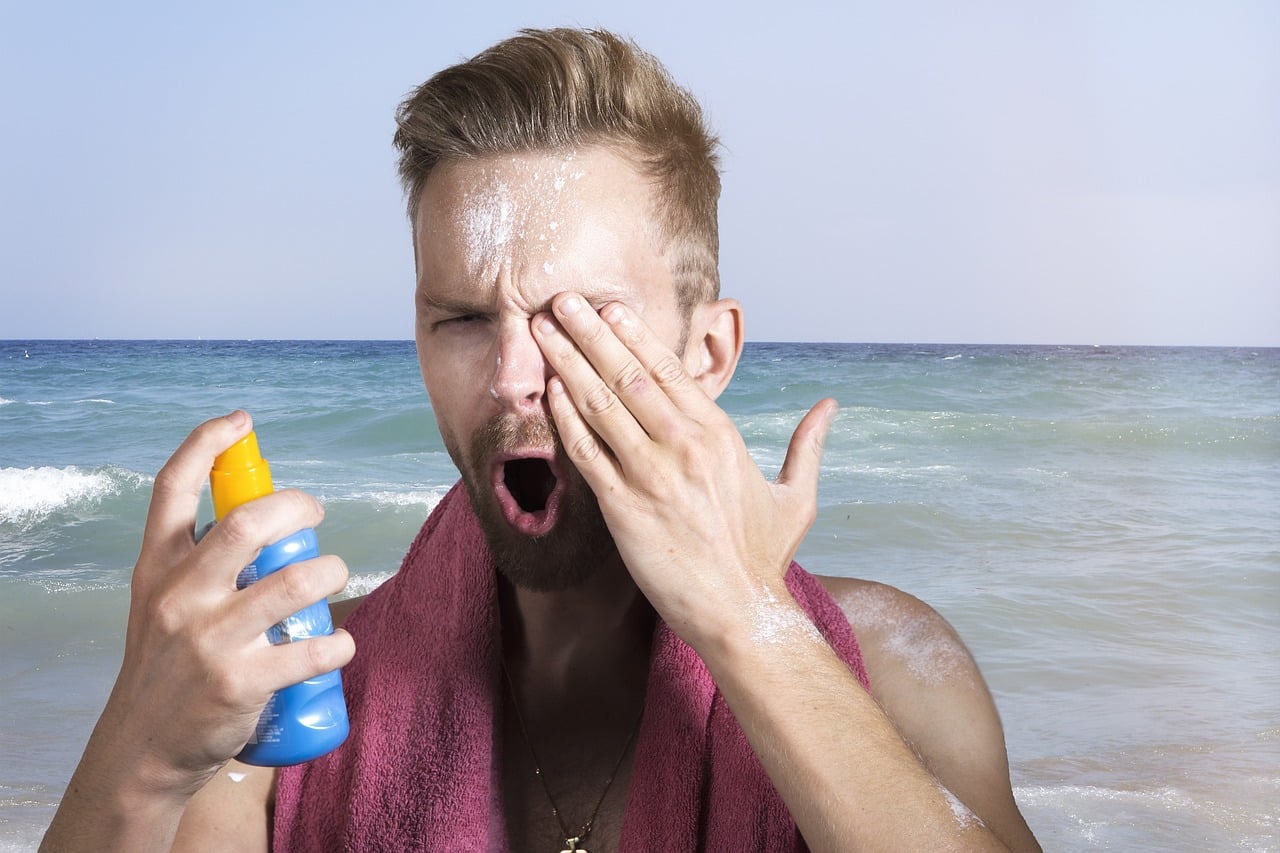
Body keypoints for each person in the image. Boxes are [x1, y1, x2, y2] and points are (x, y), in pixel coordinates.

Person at [42, 28, 1040, 852]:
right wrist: (139, 757)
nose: (514, 376)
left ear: (706, 350)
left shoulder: (894, 670)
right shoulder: (293, 719)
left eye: (577, 318)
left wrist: (750, 622)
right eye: (462, 320)